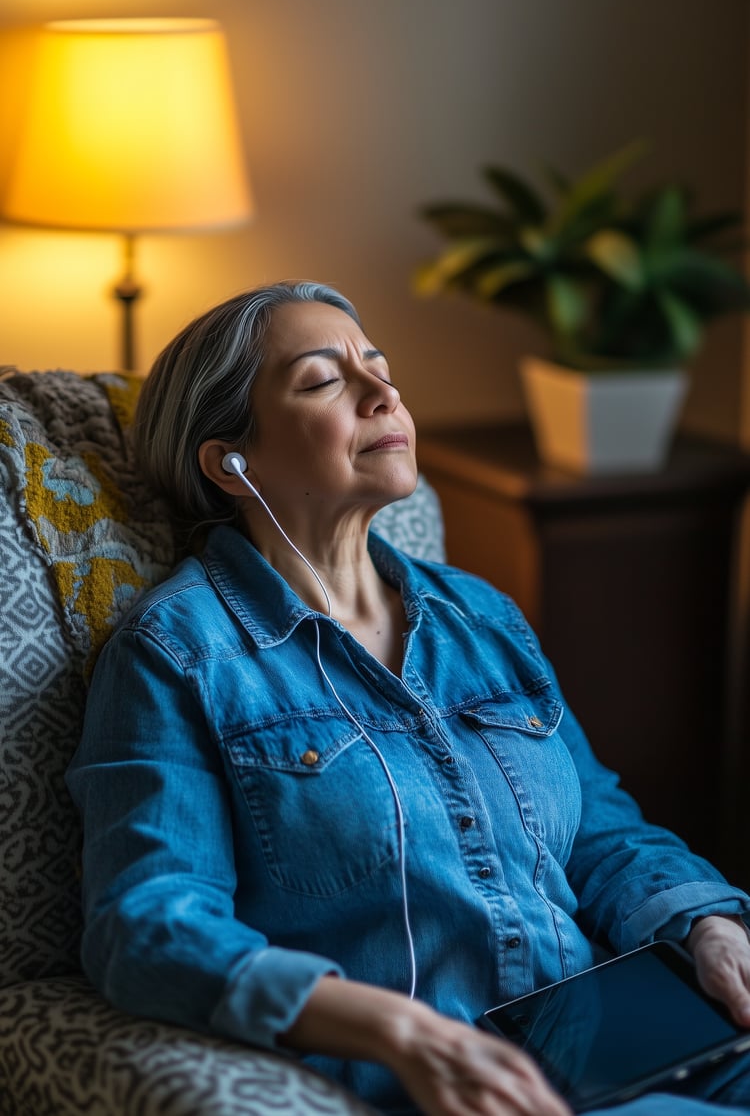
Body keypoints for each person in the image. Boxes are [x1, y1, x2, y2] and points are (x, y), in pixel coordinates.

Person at [67, 280, 750, 1116]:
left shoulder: (482, 614)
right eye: (323, 381)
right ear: (228, 462)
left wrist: (705, 925)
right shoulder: (178, 653)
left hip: (616, 1042)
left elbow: (603, 832)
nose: (383, 393)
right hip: (443, 1083)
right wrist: (393, 1027)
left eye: (379, 367)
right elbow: (146, 925)